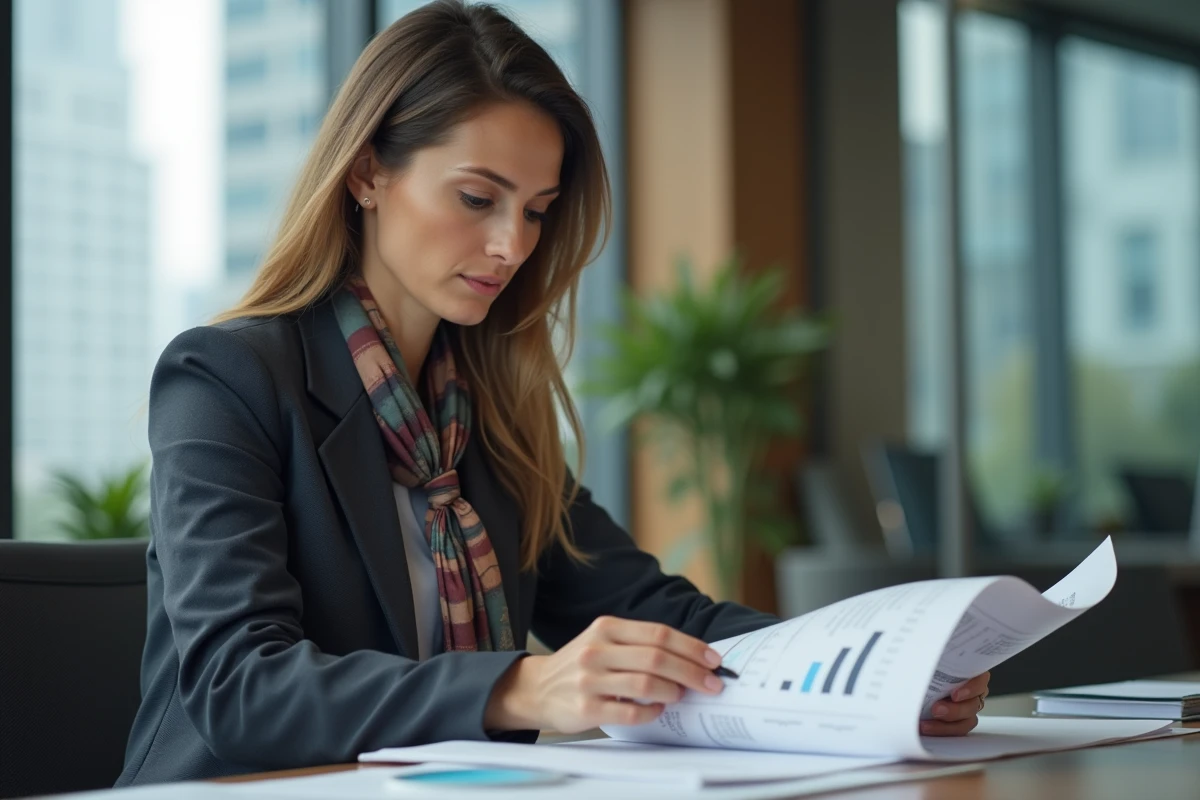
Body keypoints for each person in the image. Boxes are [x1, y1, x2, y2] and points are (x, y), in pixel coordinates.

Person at [116, 0, 989, 786]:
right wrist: (522, 685)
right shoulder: (225, 378)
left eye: (536, 210)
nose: (511, 245)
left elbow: (658, 616)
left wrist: (877, 674)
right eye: (477, 198)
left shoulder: (483, 414)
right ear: (367, 173)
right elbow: (239, 686)